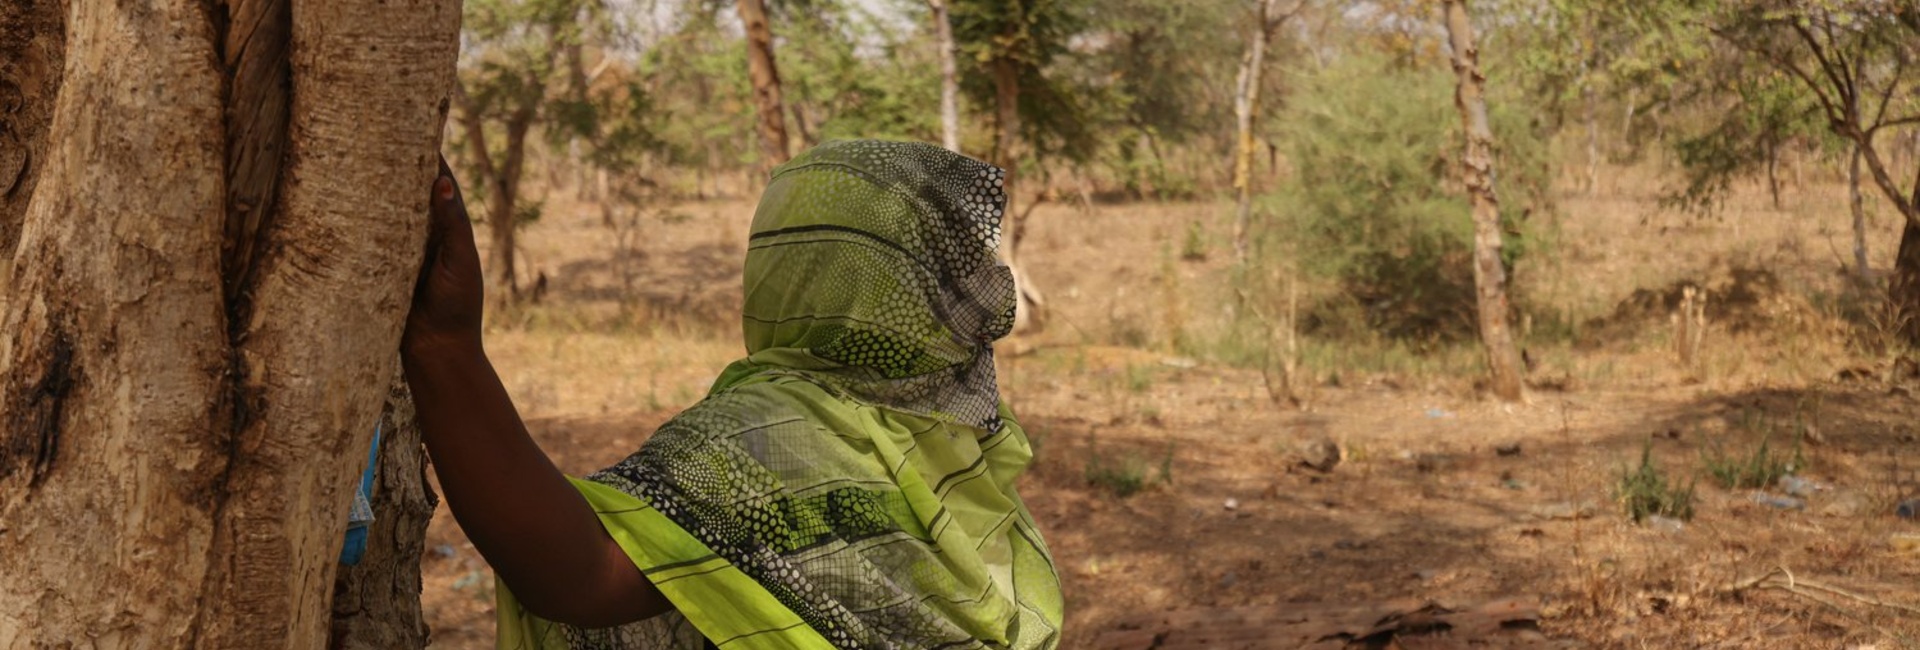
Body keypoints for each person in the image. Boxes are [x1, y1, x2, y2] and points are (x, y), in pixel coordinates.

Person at [402, 140, 1064, 649]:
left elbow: (582, 574)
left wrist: (445, 348)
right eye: (951, 270)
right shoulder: (957, 439)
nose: (979, 294)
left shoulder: (783, 435)